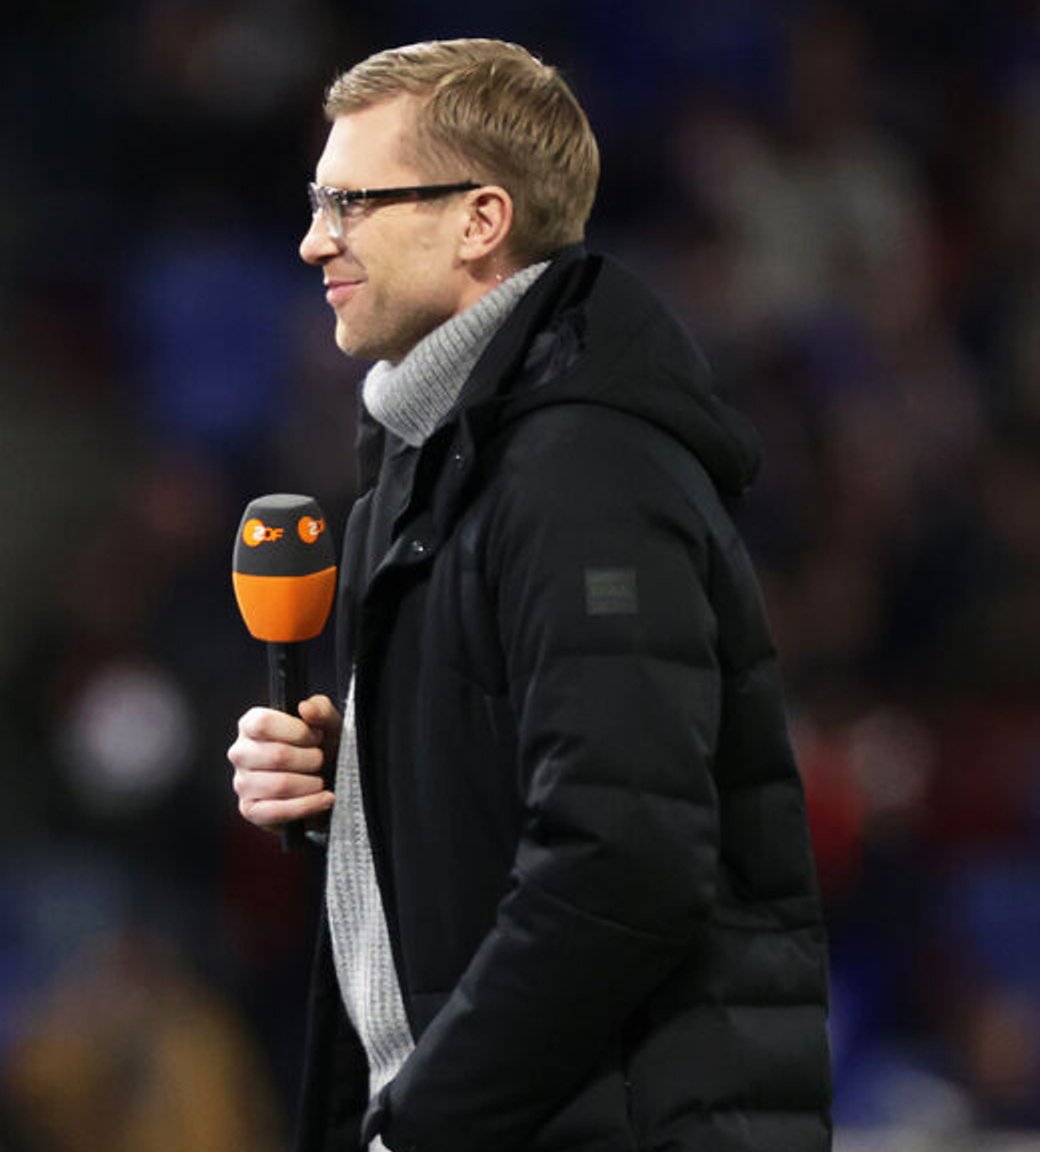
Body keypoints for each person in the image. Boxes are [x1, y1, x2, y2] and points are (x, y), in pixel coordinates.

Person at [227, 40, 831, 1151]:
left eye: (350, 203)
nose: (314, 239)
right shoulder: (426, 478)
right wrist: (347, 797)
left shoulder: (580, 472)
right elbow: (511, 829)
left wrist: (423, 1120)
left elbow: (622, 861)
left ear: (479, 219)